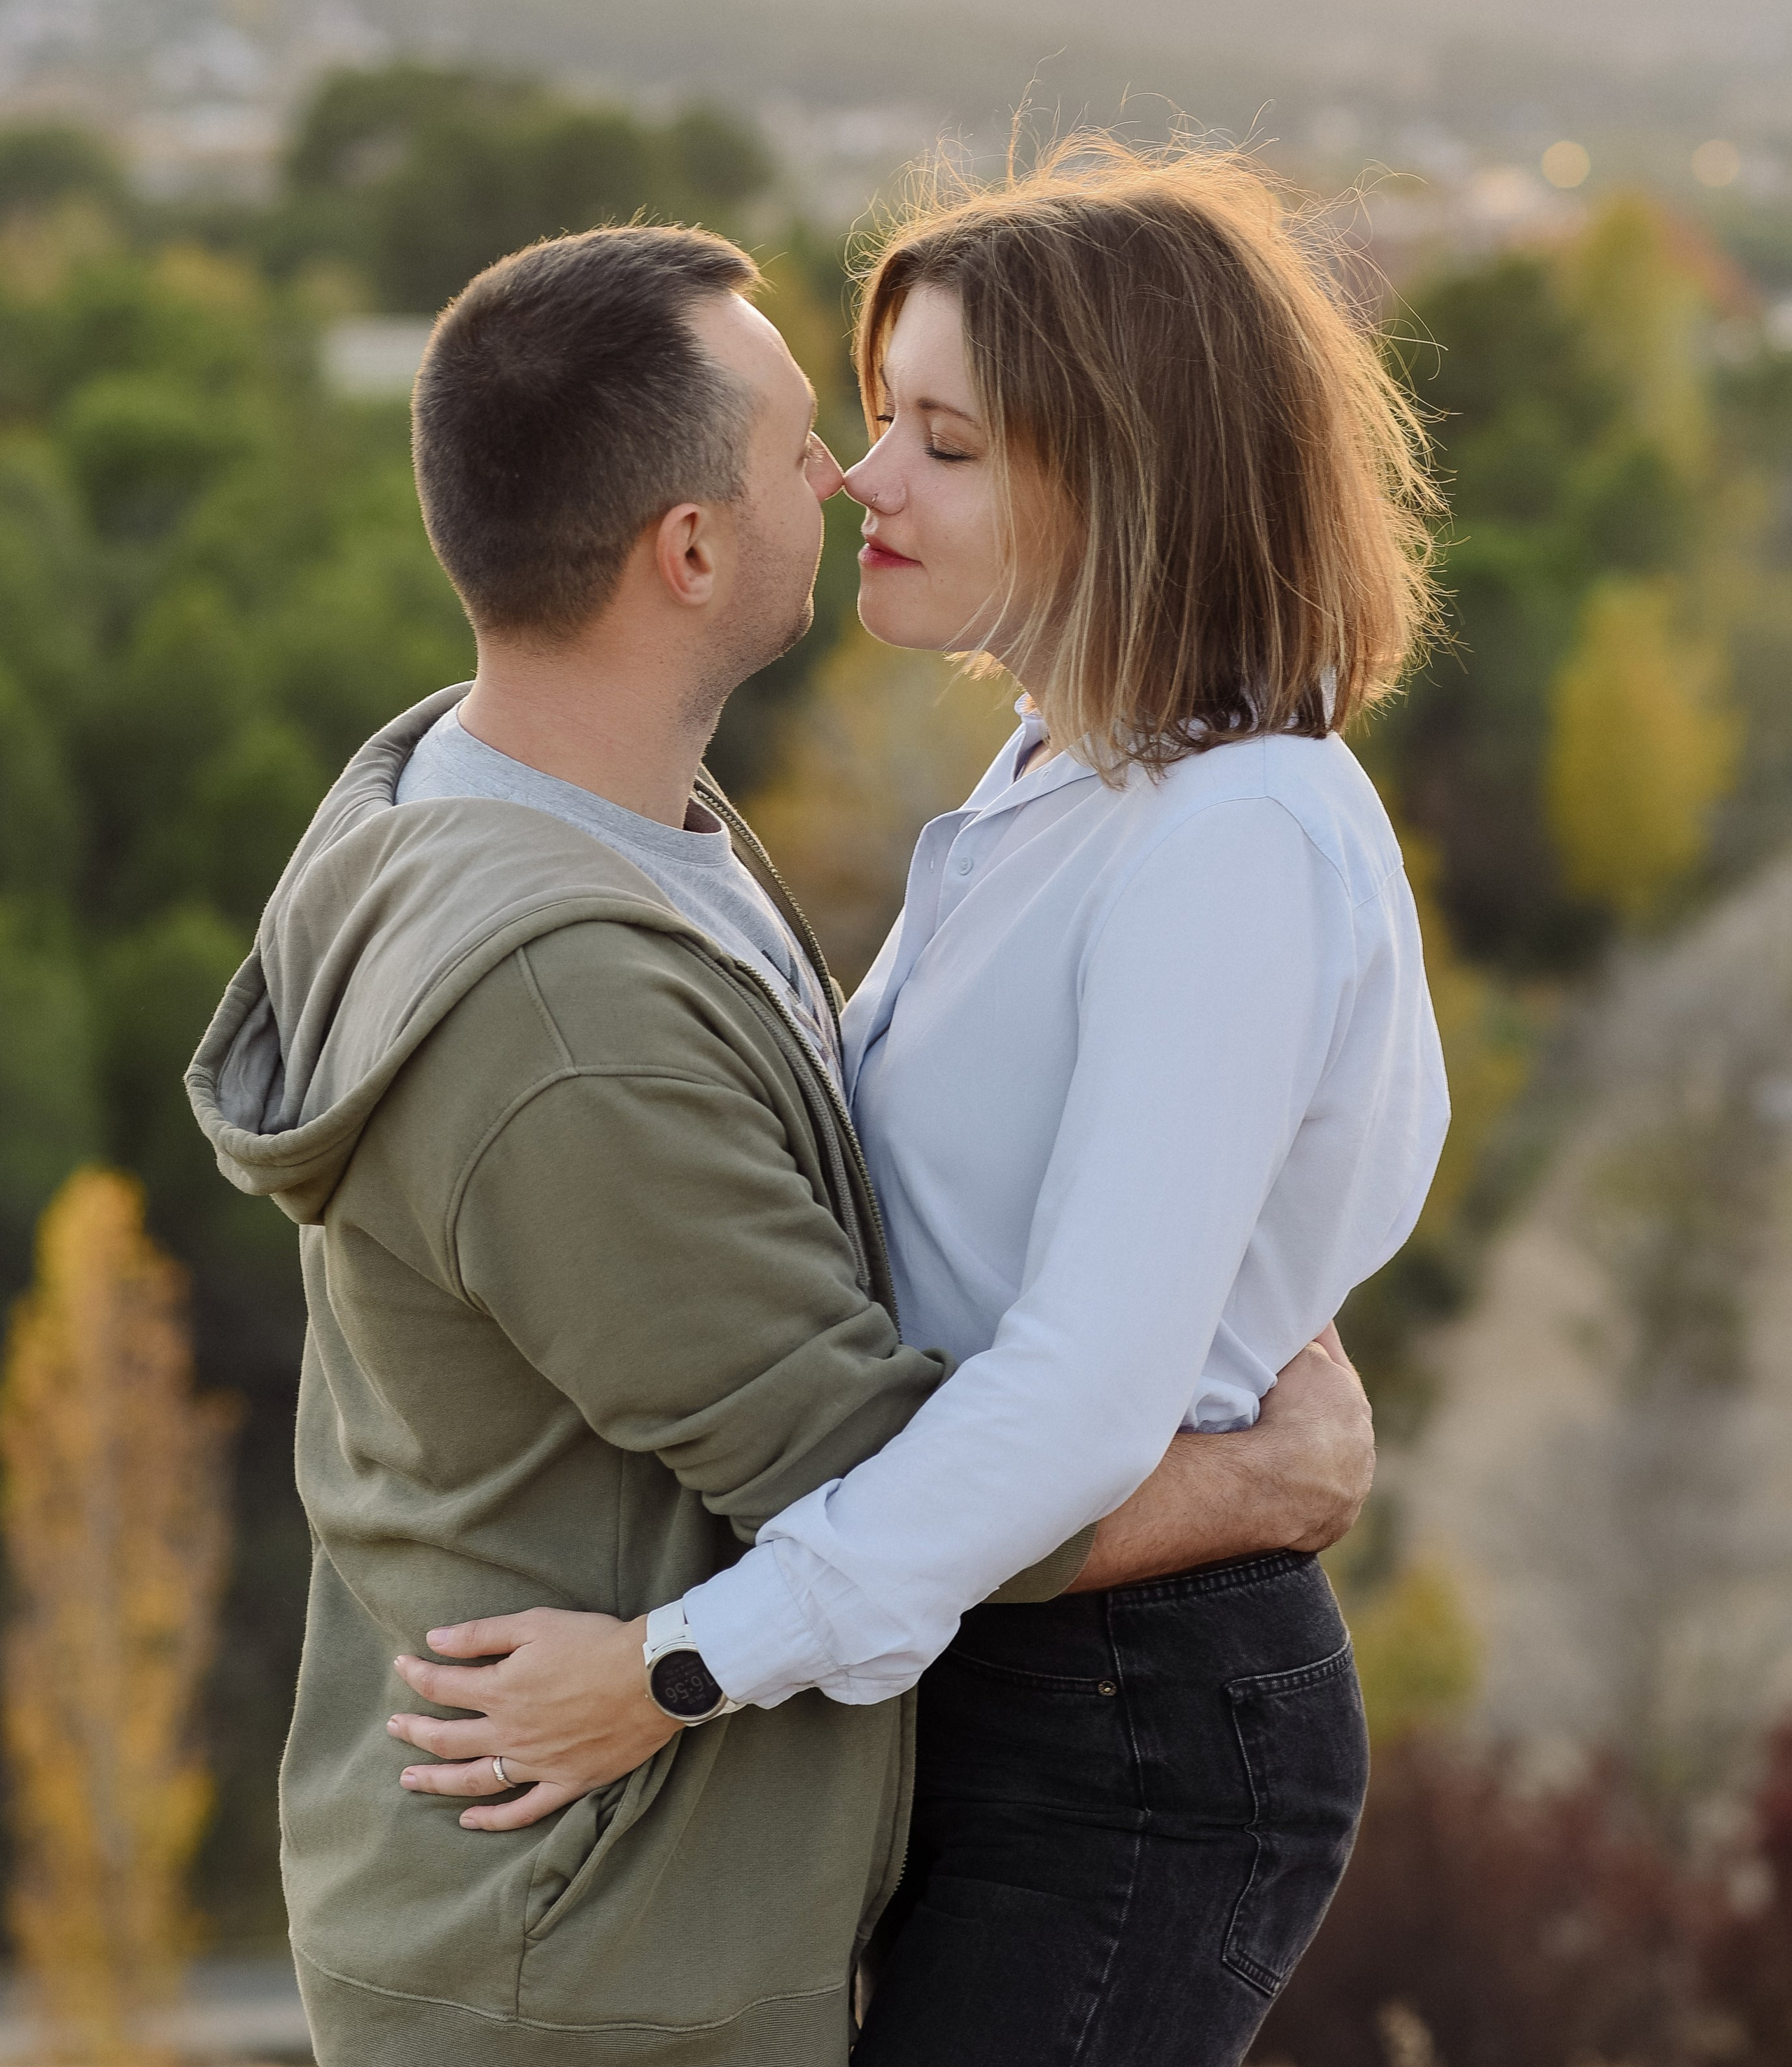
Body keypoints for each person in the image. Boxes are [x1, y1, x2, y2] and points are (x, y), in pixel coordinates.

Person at [187, 220, 1376, 2067]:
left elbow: (1005, 1360)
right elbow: (877, 1442)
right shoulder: (588, 992)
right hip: (586, 1914)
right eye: (830, 434)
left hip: (1082, 1726)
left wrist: (677, 1670)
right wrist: (1262, 1481)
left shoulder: (615, 820)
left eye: (935, 437)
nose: (856, 475)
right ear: (687, 549)